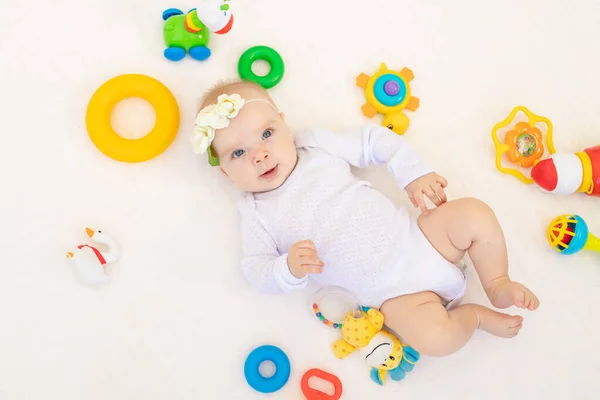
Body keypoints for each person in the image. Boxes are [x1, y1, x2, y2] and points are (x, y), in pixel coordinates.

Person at [190, 79, 539, 357]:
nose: (260, 155)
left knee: (473, 214)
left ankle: (497, 282)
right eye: (238, 153)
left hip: (422, 239)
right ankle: (474, 317)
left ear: (284, 124)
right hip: (395, 298)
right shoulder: (255, 212)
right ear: (225, 174)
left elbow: (374, 141)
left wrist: (413, 174)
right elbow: (256, 269)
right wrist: (287, 268)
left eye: (266, 134)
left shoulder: (314, 146)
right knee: (435, 340)